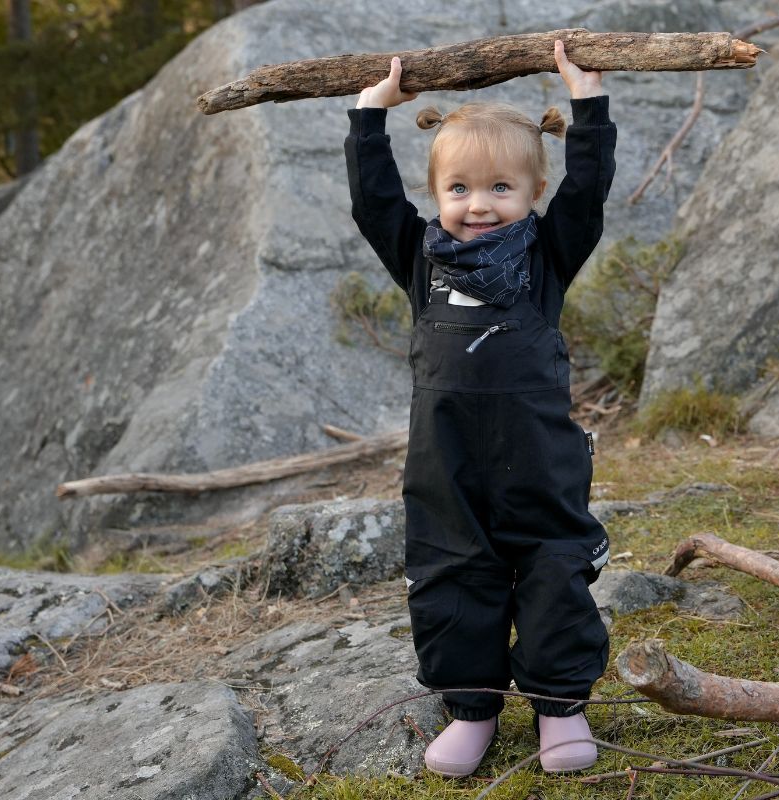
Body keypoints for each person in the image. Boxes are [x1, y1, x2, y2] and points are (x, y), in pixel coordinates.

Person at [344, 40, 616, 777]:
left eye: (501, 188)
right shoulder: (418, 258)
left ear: (531, 192)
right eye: (459, 188)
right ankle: (472, 709)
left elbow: (587, 191)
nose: (479, 204)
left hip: (539, 458)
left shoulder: (547, 256)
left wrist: (588, 103)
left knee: (555, 571)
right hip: (447, 463)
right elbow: (374, 201)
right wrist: (370, 117)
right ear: (437, 195)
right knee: (451, 574)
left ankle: (562, 706)